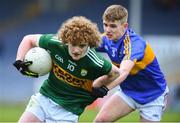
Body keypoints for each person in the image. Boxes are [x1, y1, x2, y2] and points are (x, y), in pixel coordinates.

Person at [13, 16, 120, 123]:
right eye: (73, 44)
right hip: (44, 99)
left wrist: (102, 86)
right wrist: (19, 60)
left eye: (82, 46)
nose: (76, 50)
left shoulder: (95, 61)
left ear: (90, 44)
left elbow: (116, 73)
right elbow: (28, 39)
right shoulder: (56, 43)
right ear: (66, 40)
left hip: (68, 112)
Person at [94, 5, 169, 122]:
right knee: (100, 121)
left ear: (125, 26)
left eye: (113, 26)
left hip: (152, 95)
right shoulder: (106, 39)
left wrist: (105, 88)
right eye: (105, 25)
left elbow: (123, 72)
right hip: (128, 92)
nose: (107, 29)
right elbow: (82, 45)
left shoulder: (135, 44)